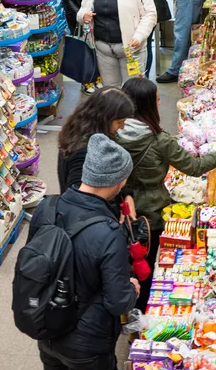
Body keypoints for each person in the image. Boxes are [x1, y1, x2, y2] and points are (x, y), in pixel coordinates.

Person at [117, 76, 216, 308]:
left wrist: (127, 191)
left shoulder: (114, 134)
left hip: (121, 209)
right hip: (152, 213)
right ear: (148, 105)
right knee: (151, 262)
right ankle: (144, 308)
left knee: (130, 259)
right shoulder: (160, 141)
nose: (160, 103)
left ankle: (129, 305)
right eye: (157, 99)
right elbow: (195, 167)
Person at [30, 134, 139, 370]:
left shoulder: (46, 207)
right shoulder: (109, 232)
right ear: (118, 181)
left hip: (47, 330)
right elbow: (118, 302)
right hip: (88, 343)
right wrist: (132, 289)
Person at [78, 0, 157, 88]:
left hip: (131, 49)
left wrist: (139, 36)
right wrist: (83, 16)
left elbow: (150, 14)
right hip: (103, 50)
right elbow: (82, 11)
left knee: (132, 90)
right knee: (110, 91)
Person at [57, 87, 136, 192]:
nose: (122, 127)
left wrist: (126, 194)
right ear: (105, 118)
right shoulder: (85, 152)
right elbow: (78, 194)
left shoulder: (76, 130)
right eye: (119, 122)